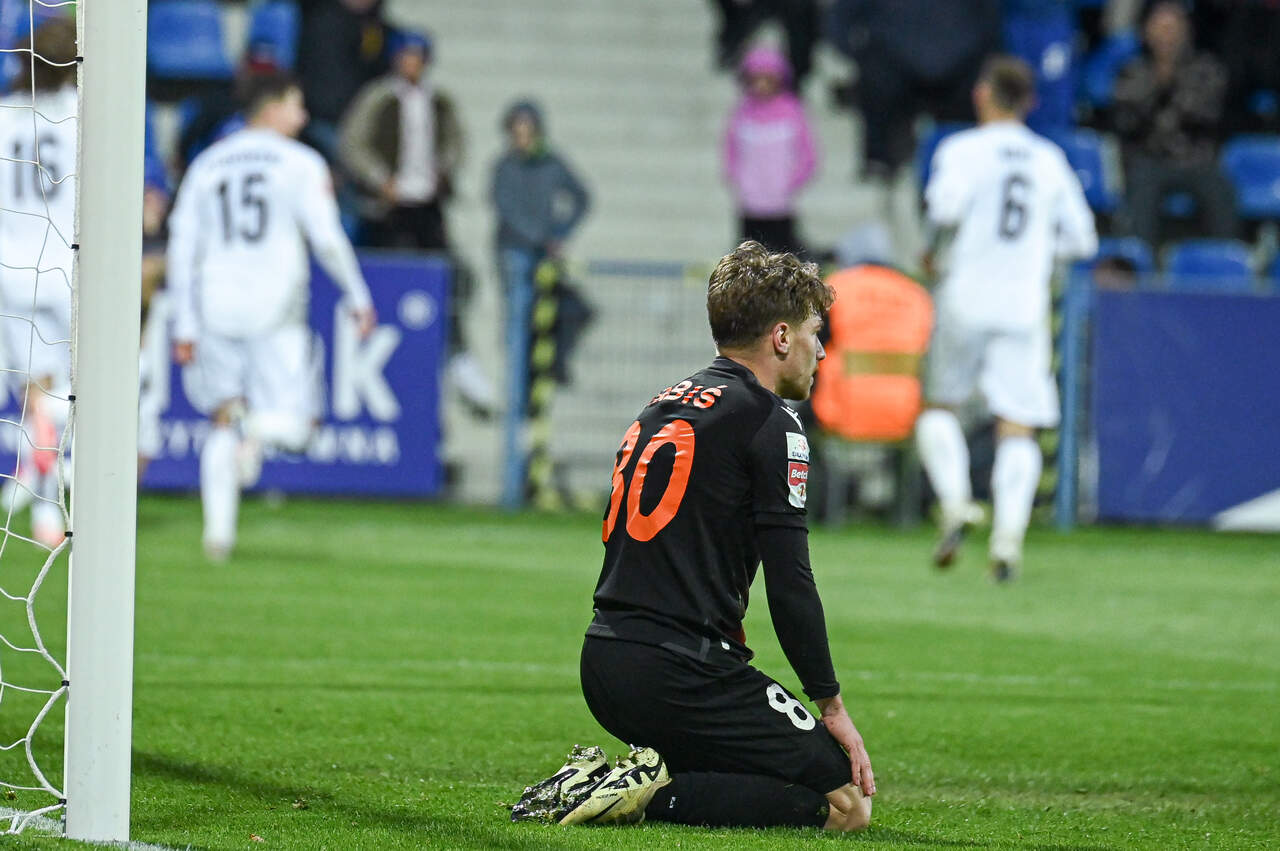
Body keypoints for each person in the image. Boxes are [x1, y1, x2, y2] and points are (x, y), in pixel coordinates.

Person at [511, 241, 875, 831]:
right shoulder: (772, 423)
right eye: (815, 332)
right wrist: (829, 703)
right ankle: (634, 795)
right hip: (682, 670)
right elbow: (790, 583)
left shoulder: (663, 404)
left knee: (750, 777)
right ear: (782, 337)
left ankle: (626, 781)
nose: (823, 349)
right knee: (846, 806)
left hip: (604, 658)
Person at [167, 73, 376, 561]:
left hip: (216, 302)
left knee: (222, 418)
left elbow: (182, 244)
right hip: (276, 305)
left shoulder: (208, 163)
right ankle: (257, 430)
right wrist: (357, 295)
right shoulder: (300, 162)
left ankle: (218, 538)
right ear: (272, 107)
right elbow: (326, 238)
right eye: (296, 105)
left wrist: (184, 321)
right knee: (299, 428)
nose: (303, 117)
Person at [918, 56, 1097, 582]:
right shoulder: (1049, 159)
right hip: (1023, 304)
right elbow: (1083, 239)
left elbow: (944, 211)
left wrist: (932, 252)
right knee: (1017, 423)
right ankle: (1008, 539)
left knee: (940, 406)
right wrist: (1038, 253)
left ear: (982, 95)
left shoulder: (961, 150)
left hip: (966, 296)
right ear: (1030, 102)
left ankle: (955, 503)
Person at [0, 17, 77, 548]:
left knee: (36, 392)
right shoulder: (82, 113)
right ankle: (51, 500)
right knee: (67, 392)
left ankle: (42, 498)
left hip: (12, 271)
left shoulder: (3, 116)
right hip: (68, 268)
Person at [490, 100, 590, 508]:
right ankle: (513, 480)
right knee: (519, 343)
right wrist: (544, 237)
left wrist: (558, 233)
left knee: (570, 313)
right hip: (517, 258)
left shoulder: (552, 164)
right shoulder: (504, 167)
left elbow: (582, 197)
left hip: (541, 261)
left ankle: (554, 362)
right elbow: (507, 211)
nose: (523, 137)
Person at [1111, 0, 1235, 248]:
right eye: (1160, 27)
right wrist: (1160, 88)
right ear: (1146, 32)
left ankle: (1227, 260)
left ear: (1186, 31)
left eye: (1173, 28)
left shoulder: (1206, 69)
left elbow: (1207, 116)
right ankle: (1138, 262)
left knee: (1221, 191)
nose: (1166, 36)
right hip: (1149, 160)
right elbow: (1126, 120)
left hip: (1197, 159)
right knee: (1139, 190)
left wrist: (1165, 89)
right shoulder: (1132, 71)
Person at [339, 29, 463, 250]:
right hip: (388, 201)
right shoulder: (378, 98)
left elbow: (454, 141)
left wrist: (443, 171)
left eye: (418, 56)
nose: (412, 63)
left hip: (427, 199)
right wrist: (379, 178)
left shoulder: (439, 100)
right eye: (407, 56)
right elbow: (354, 142)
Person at [723, 46, 817, 255]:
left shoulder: (792, 111)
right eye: (756, 79)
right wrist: (740, 180)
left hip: (781, 202)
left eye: (767, 79)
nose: (761, 85)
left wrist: (790, 182)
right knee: (748, 255)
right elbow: (730, 151)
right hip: (750, 202)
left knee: (784, 253)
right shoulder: (742, 112)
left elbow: (808, 154)